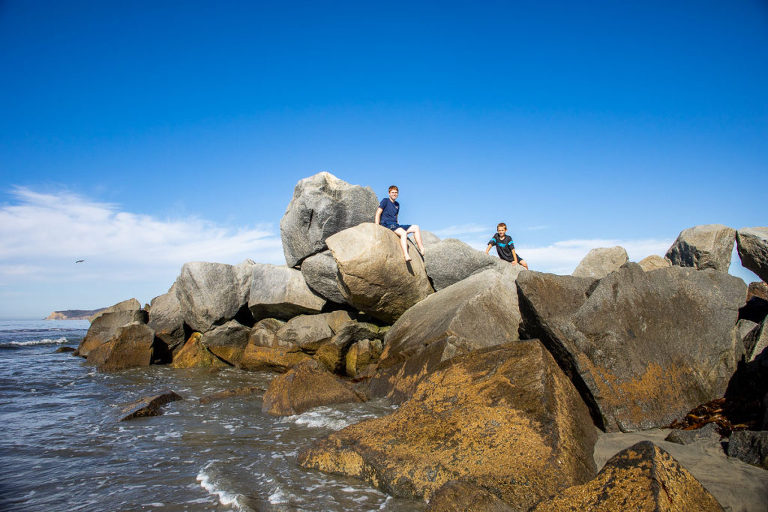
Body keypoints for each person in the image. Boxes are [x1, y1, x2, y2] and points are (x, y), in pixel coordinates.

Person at [374, 185, 425, 262]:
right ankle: (406, 255)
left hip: (395, 225)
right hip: (387, 224)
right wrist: (377, 226)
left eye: (396, 192)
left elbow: (396, 217)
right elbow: (378, 213)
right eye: (392, 192)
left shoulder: (397, 204)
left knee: (416, 227)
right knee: (403, 233)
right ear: (389, 193)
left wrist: (398, 226)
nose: (394, 194)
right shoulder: (385, 201)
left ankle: (421, 249)